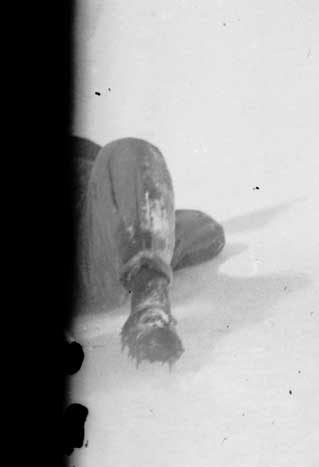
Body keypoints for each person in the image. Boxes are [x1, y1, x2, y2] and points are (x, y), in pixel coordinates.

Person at [73, 137, 226, 365]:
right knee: (127, 152)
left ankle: (149, 291)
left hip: (101, 249)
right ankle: (148, 283)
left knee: (130, 152)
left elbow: (205, 231)